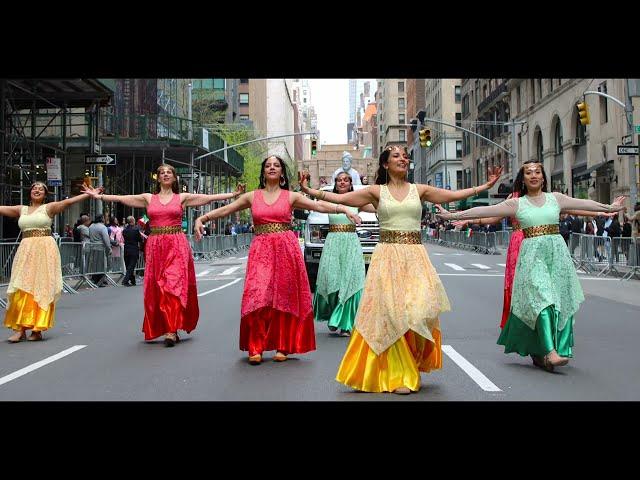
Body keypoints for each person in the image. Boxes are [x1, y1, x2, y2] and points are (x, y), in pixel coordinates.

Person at [300, 145, 503, 394]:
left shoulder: (420, 190)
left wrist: (484, 186)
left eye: (405, 156)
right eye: (396, 156)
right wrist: (309, 191)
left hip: (415, 257)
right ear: (385, 164)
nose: (403, 159)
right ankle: (399, 373)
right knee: (392, 313)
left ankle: (413, 359)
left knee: (418, 309)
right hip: (387, 256)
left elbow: (450, 196)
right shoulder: (376, 191)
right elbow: (340, 199)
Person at [437, 160, 625, 372]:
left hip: (557, 256)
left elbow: (583, 204)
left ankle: (544, 352)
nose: (534, 175)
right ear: (523, 179)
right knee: (543, 301)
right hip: (531, 257)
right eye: (528, 173)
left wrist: (610, 207)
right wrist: (453, 215)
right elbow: (486, 210)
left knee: (559, 302)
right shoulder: (517, 203)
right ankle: (550, 352)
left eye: (537, 172)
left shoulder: (556, 198)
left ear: (543, 177)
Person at [194, 155, 362, 365]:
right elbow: (228, 209)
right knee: (257, 295)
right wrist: (202, 218)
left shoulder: (290, 196)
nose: (272, 168)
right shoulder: (252, 196)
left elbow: (318, 206)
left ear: (282, 172)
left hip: (285, 249)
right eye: (268, 165)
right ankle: (256, 345)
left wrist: (343, 208)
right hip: (261, 250)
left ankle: (284, 345)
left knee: (284, 297)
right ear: (263, 172)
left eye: (276, 165)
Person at [83, 164, 245, 347]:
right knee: (159, 288)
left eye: (169, 172)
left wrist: (232, 195)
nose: (166, 175)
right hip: (156, 245)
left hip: (176, 244)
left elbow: (206, 198)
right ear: (158, 178)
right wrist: (99, 196)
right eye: (162, 173)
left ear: (175, 178)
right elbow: (124, 198)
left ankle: (171, 329)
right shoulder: (148, 198)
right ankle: (168, 326)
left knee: (173, 286)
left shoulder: (182, 198)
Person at [2, 182, 94, 342]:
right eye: (34, 188)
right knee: (21, 286)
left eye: (41, 189)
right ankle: (20, 329)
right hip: (25, 251)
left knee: (41, 287)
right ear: (30, 192)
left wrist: (88, 194)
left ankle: (37, 329)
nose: (37, 190)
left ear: (45, 195)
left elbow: (68, 202)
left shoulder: (49, 208)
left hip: (45, 251)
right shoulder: (20, 209)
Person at [311, 171, 373, 337]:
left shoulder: (357, 200)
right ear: (335, 183)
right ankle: (333, 314)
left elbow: (378, 206)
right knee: (331, 279)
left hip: (351, 243)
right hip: (333, 243)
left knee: (350, 281)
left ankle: (345, 324)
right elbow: (316, 205)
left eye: (346, 180)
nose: (342, 182)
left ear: (351, 183)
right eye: (339, 180)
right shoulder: (329, 200)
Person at [122, 215, 143, 286]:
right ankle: (125, 280)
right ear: (133, 221)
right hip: (134, 250)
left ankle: (133, 280)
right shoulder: (136, 230)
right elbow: (140, 240)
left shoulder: (124, 230)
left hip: (126, 250)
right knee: (131, 266)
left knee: (129, 266)